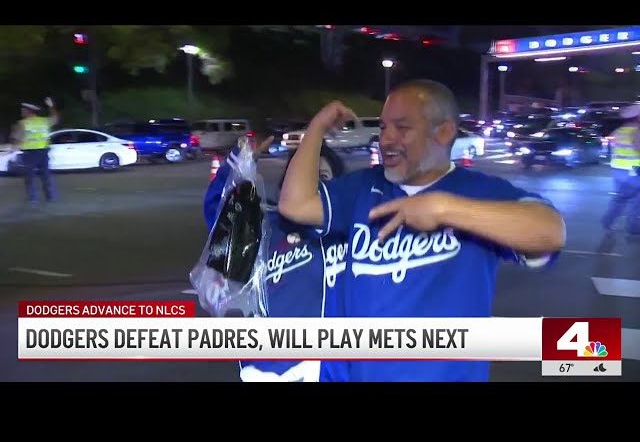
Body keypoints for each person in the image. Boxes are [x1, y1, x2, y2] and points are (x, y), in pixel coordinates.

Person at [278, 79, 566, 382]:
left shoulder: (479, 191)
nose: (386, 139)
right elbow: (295, 205)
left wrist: (443, 209)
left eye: (402, 128)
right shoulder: (363, 187)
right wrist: (317, 128)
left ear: (443, 133)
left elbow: (550, 231)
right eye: (383, 127)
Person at [203, 134, 349, 382]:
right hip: (267, 370)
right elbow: (219, 211)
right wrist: (240, 163)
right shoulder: (265, 227)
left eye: (323, 177)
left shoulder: (350, 231)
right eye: (301, 176)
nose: (311, 184)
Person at [10, 98, 60, 203]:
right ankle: (50, 196)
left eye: (23, 110)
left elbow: (17, 139)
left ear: (29, 111)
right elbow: (55, 118)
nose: (21, 112)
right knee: (45, 176)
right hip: (43, 152)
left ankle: (33, 198)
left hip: (30, 154)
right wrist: (51, 106)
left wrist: (13, 150)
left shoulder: (22, 123)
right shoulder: (44, 121)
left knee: (29, 177)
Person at [601, 104, 640, 235]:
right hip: (634, 170)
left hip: (618, 169)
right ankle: (610, 220)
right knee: (629, 198)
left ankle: (633, 226)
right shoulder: (637, 131)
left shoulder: (619, 131)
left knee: (628, 197)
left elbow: (613, 148)